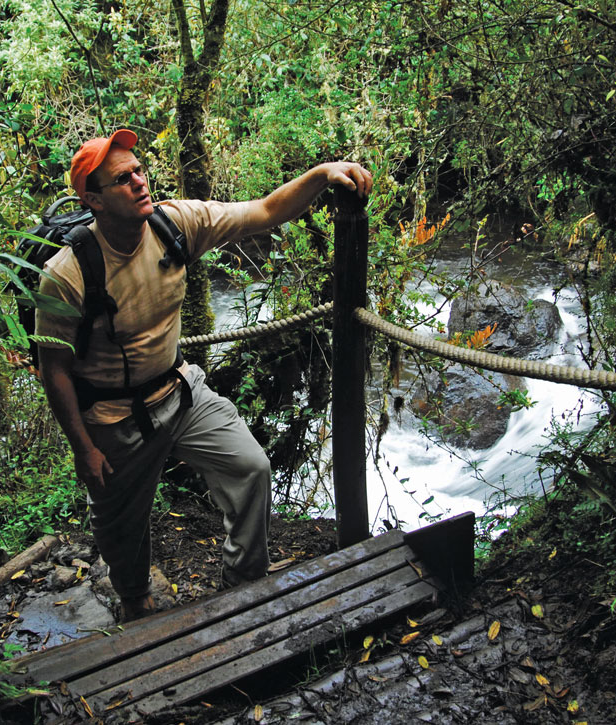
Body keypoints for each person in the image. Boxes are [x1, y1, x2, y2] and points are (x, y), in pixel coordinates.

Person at [35, 129, 372, 621]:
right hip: (112, 417)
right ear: (94, 201)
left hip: (179, 389)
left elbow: (264, 212)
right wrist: (83, 447)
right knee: (121, 529)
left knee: (251, 468)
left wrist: (323, 175)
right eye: (122, 179)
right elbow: (54, 368)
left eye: (139, 170)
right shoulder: (68, 273)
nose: (138, 182)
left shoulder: (175, 224)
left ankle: (243, 585)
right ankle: (136, 602)